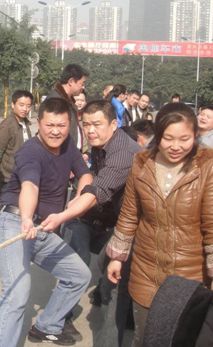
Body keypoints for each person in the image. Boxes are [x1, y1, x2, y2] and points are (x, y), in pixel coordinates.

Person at [106, 103, 213, 347]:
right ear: (158, 135)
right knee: (144, 338)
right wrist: (117, 258)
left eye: (184, 139)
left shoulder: (207, 166)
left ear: (195, 135)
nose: (176, 146)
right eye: (168, 138)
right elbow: (130, 214)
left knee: (181, 339)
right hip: (146, 270)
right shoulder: (142, 163)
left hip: (189, 276)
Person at [0, 98, 93, 347]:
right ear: (39, 122)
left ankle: (47, 326)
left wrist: (78, 198)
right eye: (49, 125)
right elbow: (30, 186)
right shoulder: (30, 151)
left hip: (44, 227)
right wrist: (26, 217)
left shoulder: (68, 145)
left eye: (61, 125)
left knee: (79, 275)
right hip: (15, 222)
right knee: (16, 295)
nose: (55, 131)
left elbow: (85, 175)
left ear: (70, 124)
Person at [62, 100, 141, 345]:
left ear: (114, 124)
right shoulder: (100, 145)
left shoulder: (124, 152)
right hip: (100, 217)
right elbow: (93, 176)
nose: (90, 130)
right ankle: (59, 319)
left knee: (112, 285)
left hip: (126, 224)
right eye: (86, 124)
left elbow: (99, 189)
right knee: (75, 264)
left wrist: (65, 214)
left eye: (97, 124)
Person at [0, 90, 33, 195]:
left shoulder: (25, 123)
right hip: (8, 178)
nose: (25, 109)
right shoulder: (7, 125)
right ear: (13, 104)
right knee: (6, 204)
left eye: (28, 106)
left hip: (23, 175)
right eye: (21, 105)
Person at [47, 63, 89, 151]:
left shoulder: (69, 102)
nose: (83, 87)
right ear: (71, 81)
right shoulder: (56, 102)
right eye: (82, 83)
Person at [74, 90, 90, 160]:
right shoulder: (68, 116)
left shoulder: (88, 116)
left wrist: (88, 153)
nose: (79, 103)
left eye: (82, 100)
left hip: (83, 153)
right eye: (77, 100)